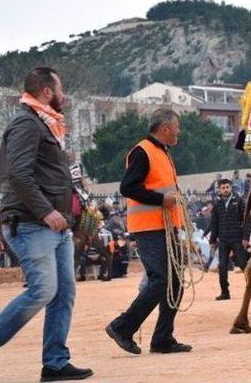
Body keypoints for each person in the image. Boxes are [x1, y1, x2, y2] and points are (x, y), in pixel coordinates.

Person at [0, 67, 93, 382]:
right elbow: (18, 174)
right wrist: (46, 211)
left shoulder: (46, 125)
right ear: (46, 92)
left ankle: (55, 363)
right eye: (60, 88)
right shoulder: (26, 124)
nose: (64, 95)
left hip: (55, 227)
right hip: (32, 223)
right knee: (44, 289)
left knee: (64, 292)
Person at [105, 108, 192, 355]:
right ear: (165, 128)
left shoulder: (162, 152)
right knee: (160, 279)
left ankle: (163, 339)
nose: (179, 132)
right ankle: (122, 327)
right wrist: (160, 199)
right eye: (176, 127)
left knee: (175, 282)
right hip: (149, 227)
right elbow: (127, 187)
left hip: (167, 226)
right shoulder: (142, 151)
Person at [203, 179, 251, 300]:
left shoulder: (239, 201)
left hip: (237, 239)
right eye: (223, 188)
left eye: (227, 187)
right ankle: (225, 293)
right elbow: (214, 223)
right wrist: (213, 240)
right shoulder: (217, 204)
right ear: (219, 189)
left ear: (231, 188)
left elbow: (247, 221)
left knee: (242, 264)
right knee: (222, 267)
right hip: (223, 240)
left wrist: (245, 238)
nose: (225, 189)